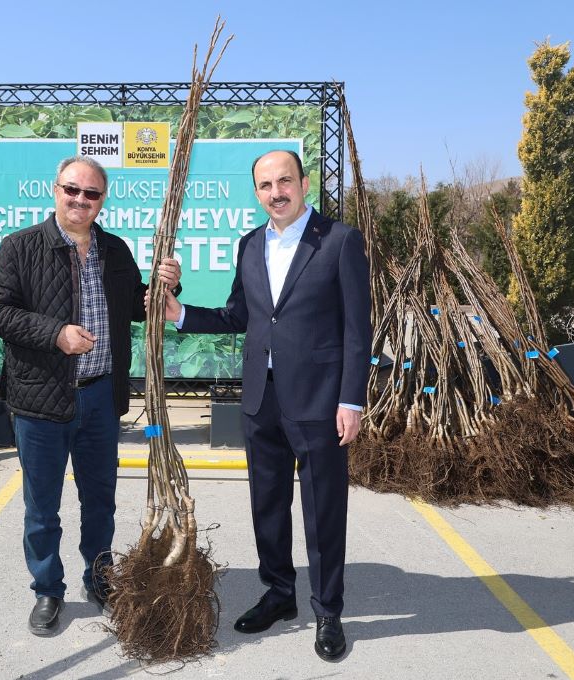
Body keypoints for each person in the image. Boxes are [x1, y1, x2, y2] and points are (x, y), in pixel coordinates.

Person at [162, 149, 371, 660]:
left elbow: (356, 329)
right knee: (267, 504)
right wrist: (180, 312)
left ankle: (328, 611)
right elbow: (241, 314)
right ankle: (279, 594)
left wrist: (351, 400)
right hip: (261, 396)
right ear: (256, 192)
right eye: (265, 185)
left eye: (284, 181)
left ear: (303, 183)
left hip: (321, 400)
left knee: (324, 510)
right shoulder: (249, 244)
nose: (276, 192)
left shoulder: (339, 241)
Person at [0, 156, 181, 636]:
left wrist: (165, 285)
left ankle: (100, 577)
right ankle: (48, 589)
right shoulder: (20, 247)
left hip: (99, 399)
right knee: (42, 506)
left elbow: (138, 305)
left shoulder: (115, 250)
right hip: (39, 401)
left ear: (101, 201)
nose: (80, 200)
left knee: (100, 500)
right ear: (56, 190)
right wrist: (55, 334)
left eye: (91, 194)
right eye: (72, 190)